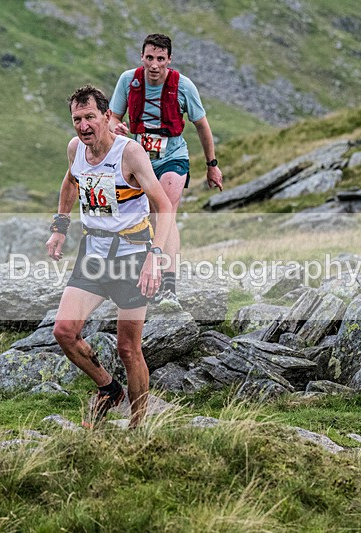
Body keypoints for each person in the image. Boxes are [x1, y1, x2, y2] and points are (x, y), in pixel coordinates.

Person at [46, 85, 174, 428]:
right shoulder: (75, 148)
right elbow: (70, 183)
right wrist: (60, 226)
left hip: (133, 254)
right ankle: (109, 388)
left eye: (90, 117)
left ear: (106, 117)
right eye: (77, 119)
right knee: (63, 331)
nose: (84, 125)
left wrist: (154, 256)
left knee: (128, 348)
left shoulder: (129, 154)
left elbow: (163, 206)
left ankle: (137, 426)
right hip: (93, 253)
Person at [109, 33, 223, 311]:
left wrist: (212, 165)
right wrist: (116, 127)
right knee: (147, 215)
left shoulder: (184, 86)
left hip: (173, 156)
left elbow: (202, 127)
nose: (155, 65)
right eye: (150, 58)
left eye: (161, 59)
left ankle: (168, 284)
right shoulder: (128, 81)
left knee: (166, 210)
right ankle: (144, 275)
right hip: (139, 160)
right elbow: (112, 117)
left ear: (169, 60)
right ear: (142, 57)